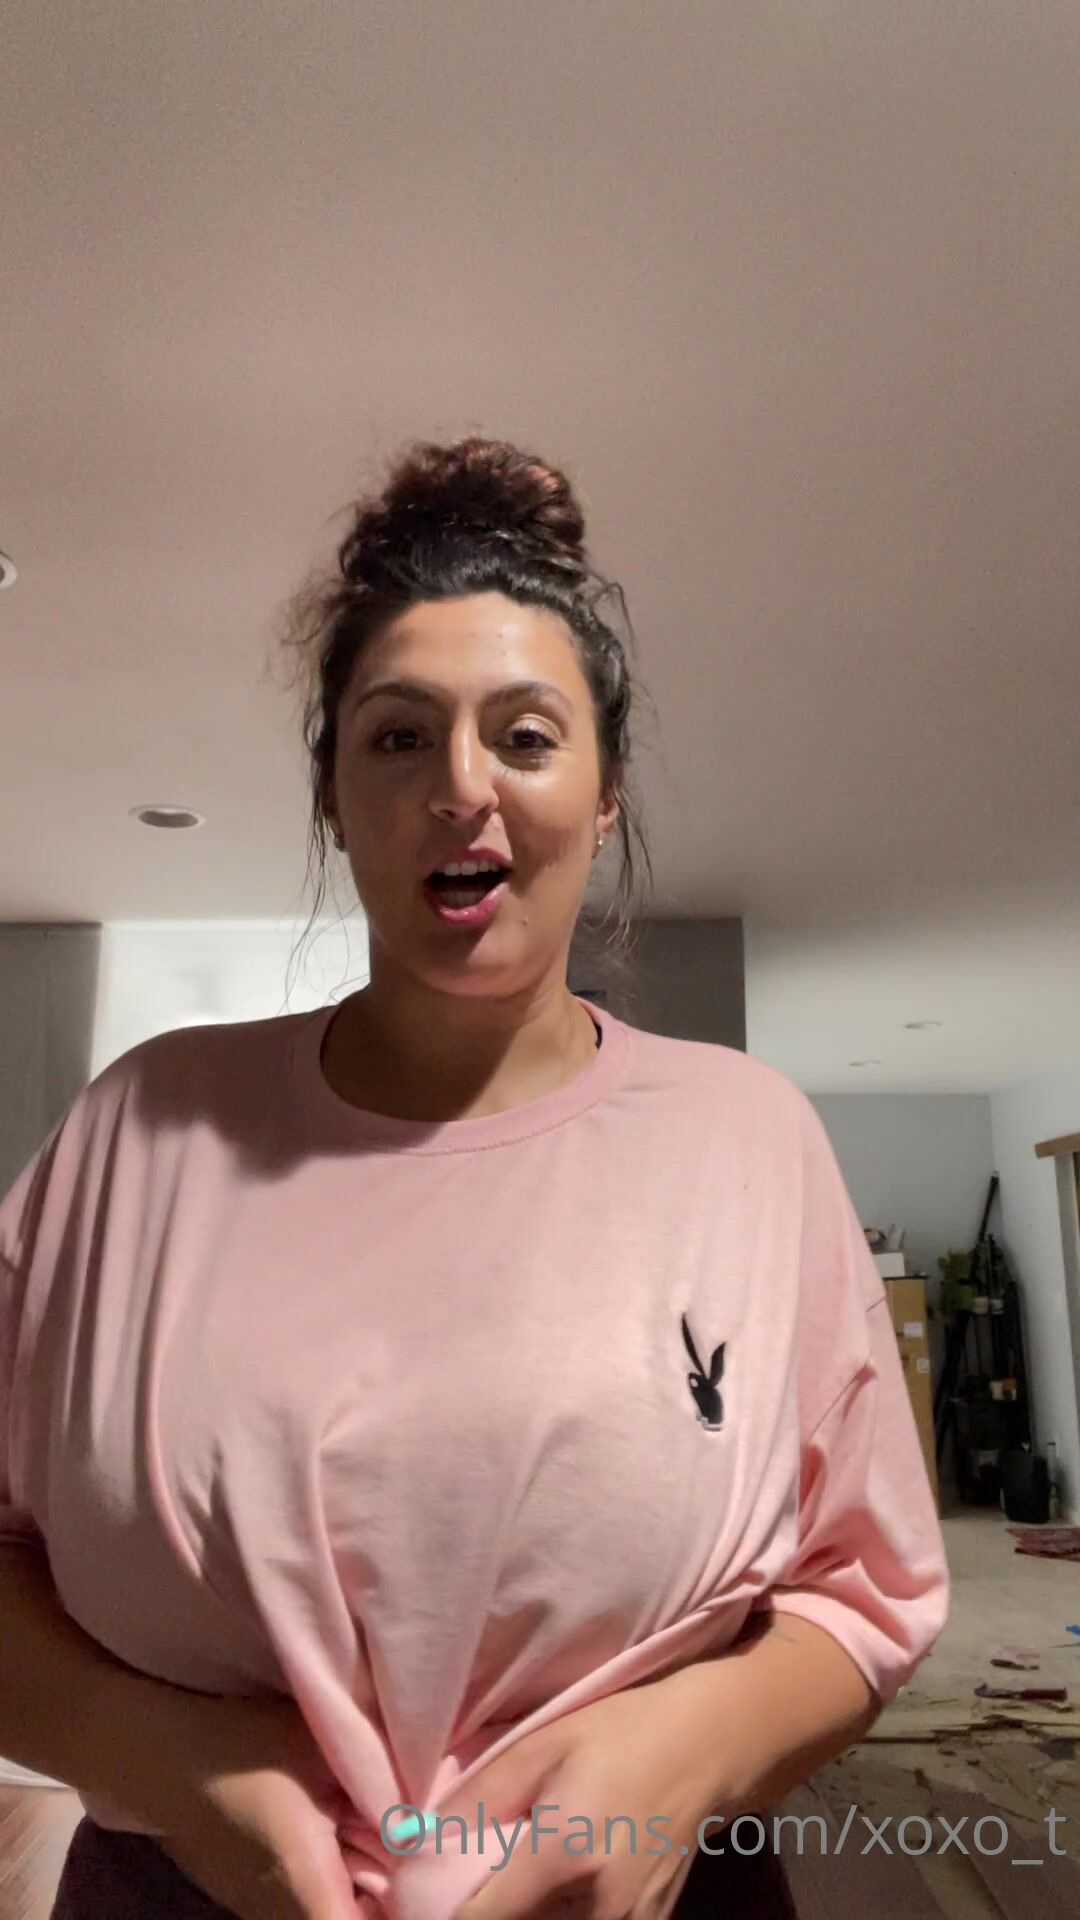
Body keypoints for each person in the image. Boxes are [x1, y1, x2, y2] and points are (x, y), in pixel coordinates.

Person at [0, 435, 949, 1920]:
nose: (461, 787)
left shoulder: (747, 1141)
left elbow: (869, 1590)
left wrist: (684, 1759)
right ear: (332, 793)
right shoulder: (141, 1128)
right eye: (397, 738)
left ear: (605, 791)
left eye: (525, 736)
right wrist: (173, 1767)